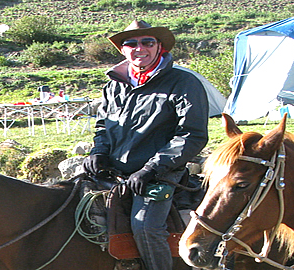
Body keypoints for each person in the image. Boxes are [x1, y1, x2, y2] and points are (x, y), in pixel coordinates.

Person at [84, 20, 209, 270]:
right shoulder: (113, 85)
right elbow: (103, 125)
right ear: (123, 50)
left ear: (159, 47)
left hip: (160, 173)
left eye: (147, 42)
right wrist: (98, 152)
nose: (139, 48)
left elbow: (192, 135)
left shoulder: (183, 83)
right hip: (116, 170)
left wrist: (152, 168)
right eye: (131, 43)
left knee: (145, 227)